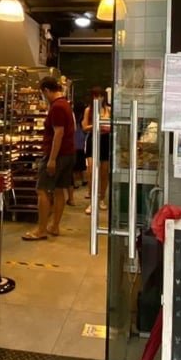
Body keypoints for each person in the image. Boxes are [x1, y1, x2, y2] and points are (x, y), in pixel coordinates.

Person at [22, 76, 75, 240]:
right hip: (68, 153)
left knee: (42, 190)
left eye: (42, 93)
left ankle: (41, 230)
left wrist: (51, 159)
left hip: (57, 154)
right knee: (59, 189)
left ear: (46, 90)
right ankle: (54, 226)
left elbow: (58, 134)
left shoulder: (57, 107)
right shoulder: (65, 104)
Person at [82, 86, 111, 215]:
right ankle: (92, 201)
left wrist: (107, 126)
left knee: (104, 171)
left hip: (105, 141)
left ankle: (102, 198)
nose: (98, 98)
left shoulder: (108, 109)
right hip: (93, 139)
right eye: (95, 95)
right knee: (91, 171)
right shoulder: (89, 110)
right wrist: (96, 124)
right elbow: (84, 127)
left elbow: (113, 125)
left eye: (100, 95)